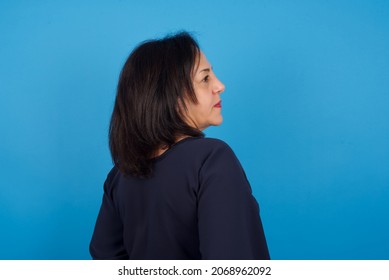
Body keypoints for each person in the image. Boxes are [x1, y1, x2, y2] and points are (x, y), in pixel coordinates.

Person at [89, 31, 270, 260]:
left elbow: (105, 256)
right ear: (171, 95)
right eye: (205, 78)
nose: (220, 85)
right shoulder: (211, 160)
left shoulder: (119, 177)